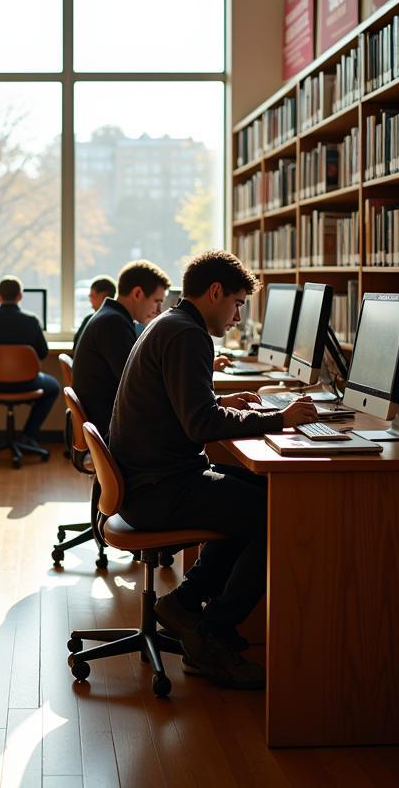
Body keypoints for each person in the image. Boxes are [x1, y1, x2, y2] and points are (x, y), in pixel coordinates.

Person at [109, 250, 316, 689]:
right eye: (238, 302)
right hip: (159, 490)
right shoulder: (188, 335)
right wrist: (280, 419)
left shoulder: (170, 324)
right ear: (216, 292)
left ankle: (185, 604)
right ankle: (212, 634)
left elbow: (186, 409)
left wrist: (222, 404)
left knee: (261, 491)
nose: (239, 316)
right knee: (276, 517)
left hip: (149, 481)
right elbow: (200, 425)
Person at [71, 260, 170, 440]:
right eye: (157, 301)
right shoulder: (113, 324)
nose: (159, 310)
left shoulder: (111, 316)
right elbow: (137, 382)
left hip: (103, 420)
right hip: (109, 428)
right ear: (138, 293)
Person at [0, 276, 60, 446]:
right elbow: (43, 353)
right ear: (20, 296)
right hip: (27, 384)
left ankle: (23, 437)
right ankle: (28, 435)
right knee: (54, 387)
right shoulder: (31, 320)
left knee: (51, 386)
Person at [73, 275, 117, 349]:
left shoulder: (94, 320)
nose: (89, 297)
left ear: (102, 295)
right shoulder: (114, 320)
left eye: (92, 295)